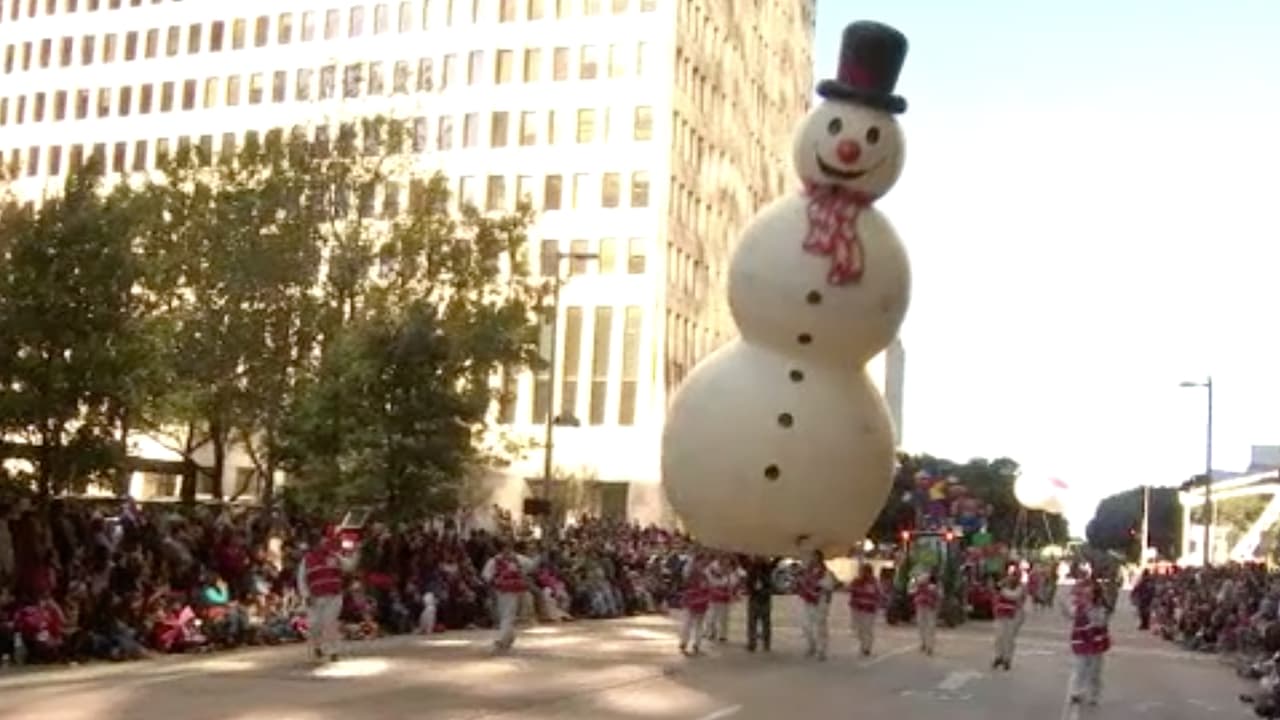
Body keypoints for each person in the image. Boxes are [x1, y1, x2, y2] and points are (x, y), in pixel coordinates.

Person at [296, 531, 344, 663]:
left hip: (333, 596)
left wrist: (356, 554)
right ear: (314, 544)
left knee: (330, 622)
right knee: (314, 624)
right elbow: (301, 579)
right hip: (315, 597)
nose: (324, 545)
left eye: (325, 542)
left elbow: (347, 566)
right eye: (321, 542)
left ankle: (334, 651)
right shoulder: (307, 560)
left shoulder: (334, 557)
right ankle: (317, 647)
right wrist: (306, 595)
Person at [480, 540, 533, 654]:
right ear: (501, 549)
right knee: (506, 616)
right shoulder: (494, 561)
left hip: (517, 591)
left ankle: (504, 639)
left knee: (509, 616)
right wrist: (494, 584)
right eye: (505, 547)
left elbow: (531, 566)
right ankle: (506, 639)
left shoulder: (517, 558)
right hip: (502, 591)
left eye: (509, 547)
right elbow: (486, 576)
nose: (508, 550)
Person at [1065, 578, 1111, 706]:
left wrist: (1092, 616)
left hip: (1096, 644)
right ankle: (1076, 692)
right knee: (1079, 668)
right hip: (1081, 642)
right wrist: (1066, 605)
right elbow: (1070, 614)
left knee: (1095, 672)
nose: (1086, 597)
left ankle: (1094, 695)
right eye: (1084, 594)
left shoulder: (1100, 608)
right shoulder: (1079, 607)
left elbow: (1101, 622)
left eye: (1089, 594)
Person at [797, 549, 836, 660]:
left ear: (820, 558)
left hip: (820, 601)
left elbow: (829, 586)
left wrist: (818, 585)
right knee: (806, 626)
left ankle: (822, 650)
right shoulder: (808, 571)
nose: (813, 559)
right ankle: (811, 646)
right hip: (808, 600)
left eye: (815, 557)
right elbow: (803, 581)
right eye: (812, 557)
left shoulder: (825, 572)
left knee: (820, 627)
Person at [993, 568, 1027, 670]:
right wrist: (1001, 585)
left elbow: (1014, 596)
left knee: (1009, 638)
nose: (1013, 578)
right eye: (1012, 575)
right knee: (999, 636)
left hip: (1014, 616)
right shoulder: (1004, 583)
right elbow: (996, 589)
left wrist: (1002, 590)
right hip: (1001, 614)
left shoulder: (1021, 587)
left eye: (1016, 576)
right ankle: (999, 656)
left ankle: (1007, 659)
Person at [744, 556, 778, 652]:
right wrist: (751, 589)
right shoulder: (751, 569)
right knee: (752, 623)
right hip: (755, 598)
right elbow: (748, 583)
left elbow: (776, 562)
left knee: (766, 623)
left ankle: (766, 644)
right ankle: (752, 643)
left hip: (764, 598)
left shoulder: (767, 568)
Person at [679, 553, 710, 656]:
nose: (702, 563)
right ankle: (684, 643)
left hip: (701, 602)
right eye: (700, 561)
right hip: (691, 601)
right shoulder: (690, 573)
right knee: (687, 624)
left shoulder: (705, 575)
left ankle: (697, 644)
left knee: (698, 625)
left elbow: (708, 588)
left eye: (704, 562)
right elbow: (686, 584)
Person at [847, 563, 881, 657]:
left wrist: (876, 603)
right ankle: (863, 644)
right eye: (861, 571)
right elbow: (849, 589)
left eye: (864, 571)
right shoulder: (856, 581)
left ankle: (867, 648)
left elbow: (878, 594)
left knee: (867, 629)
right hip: (857, 609)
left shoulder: (874, 582)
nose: (862, 573)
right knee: (858, 629)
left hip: (869, 610)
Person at [703, 554, 732, 644]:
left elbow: (732, 581)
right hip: (713, 595)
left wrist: (730, 591)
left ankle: (723, 635)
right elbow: (707, 578)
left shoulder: (729, 569)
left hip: (724, 596)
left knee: (724, 617)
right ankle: (711, 632)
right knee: (711, 616)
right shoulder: (712, 567)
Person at [911, 571, 941, 656]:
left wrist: (935, 604)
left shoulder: (933, 587)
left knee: (930, 627)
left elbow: (938, 596)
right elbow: (913, 591)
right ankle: (923, 644)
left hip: (930, 608)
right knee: (921, 626)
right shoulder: (919, 585)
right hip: (921, 606)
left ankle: (930, 647)